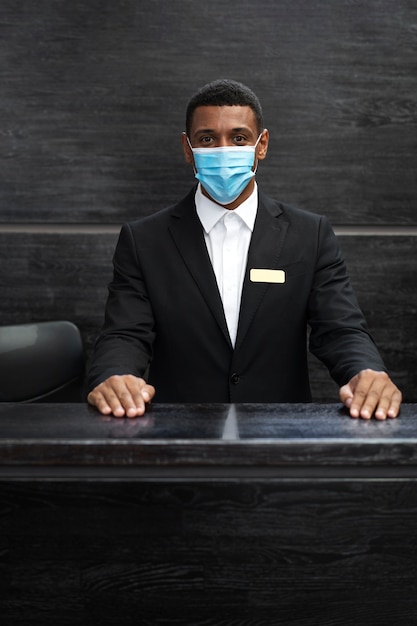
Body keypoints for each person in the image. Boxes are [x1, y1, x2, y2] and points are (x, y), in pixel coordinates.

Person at [87, 79, 402, 420]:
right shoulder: (144, 240)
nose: (223, 150)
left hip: (281, 439)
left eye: (238, 138)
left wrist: (366, 372)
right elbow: (123, 333)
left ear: (261, 144)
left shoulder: (309, 235)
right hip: (179, 437)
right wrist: (113, 377)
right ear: (187, 148)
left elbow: (340, 328)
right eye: (207, 139)